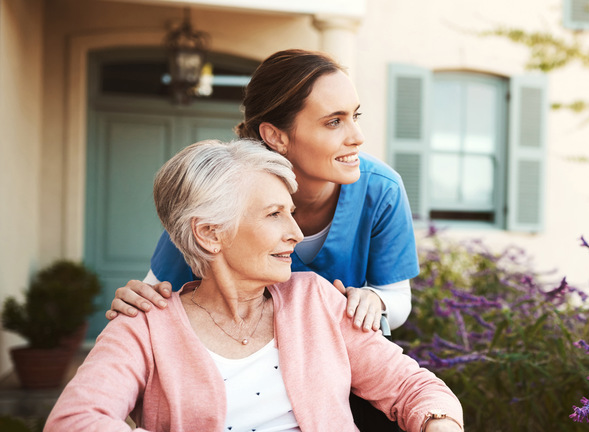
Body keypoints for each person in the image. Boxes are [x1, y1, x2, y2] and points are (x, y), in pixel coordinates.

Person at [39, 139, 476, 432]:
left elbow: (413, 387)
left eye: (291, 212)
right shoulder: (144, 325)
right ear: (210, 234)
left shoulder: (315, 301)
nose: (295, 232)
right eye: (274, 214)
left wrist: (441, 430)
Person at [109, 48, 419, 332]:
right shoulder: (219, 189)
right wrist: (138, 300)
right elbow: (157, 289)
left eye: (355, 116)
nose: (358, 136)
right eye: (334, 122)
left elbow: (396, 297)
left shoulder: (382, 190)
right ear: (276, 136)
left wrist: (376, 300)